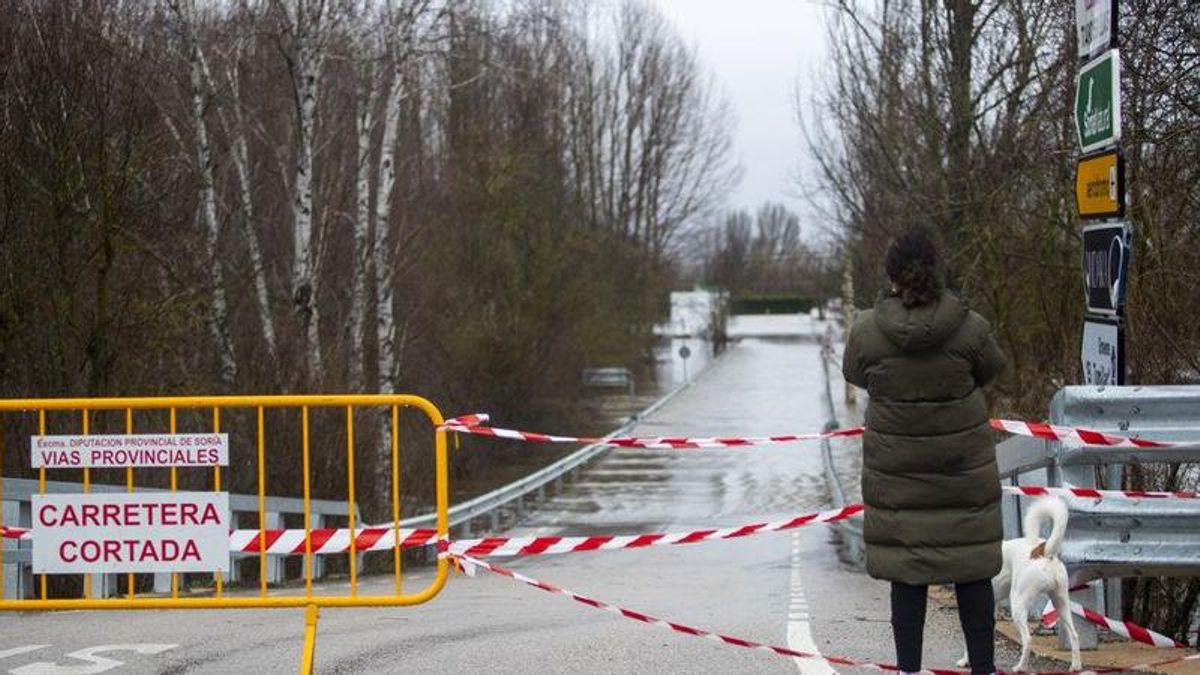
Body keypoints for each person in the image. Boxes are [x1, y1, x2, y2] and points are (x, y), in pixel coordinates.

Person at [841, 227, 1007, 674]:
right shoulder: (970, 328)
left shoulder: (867, 332)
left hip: (898, 481)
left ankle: (909, 669)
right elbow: (992, 369)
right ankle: (984, 669)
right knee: (972, 570)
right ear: (936, 270)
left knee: (907, 575)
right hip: (962, 475)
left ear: (893, 275)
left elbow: (855, 374)